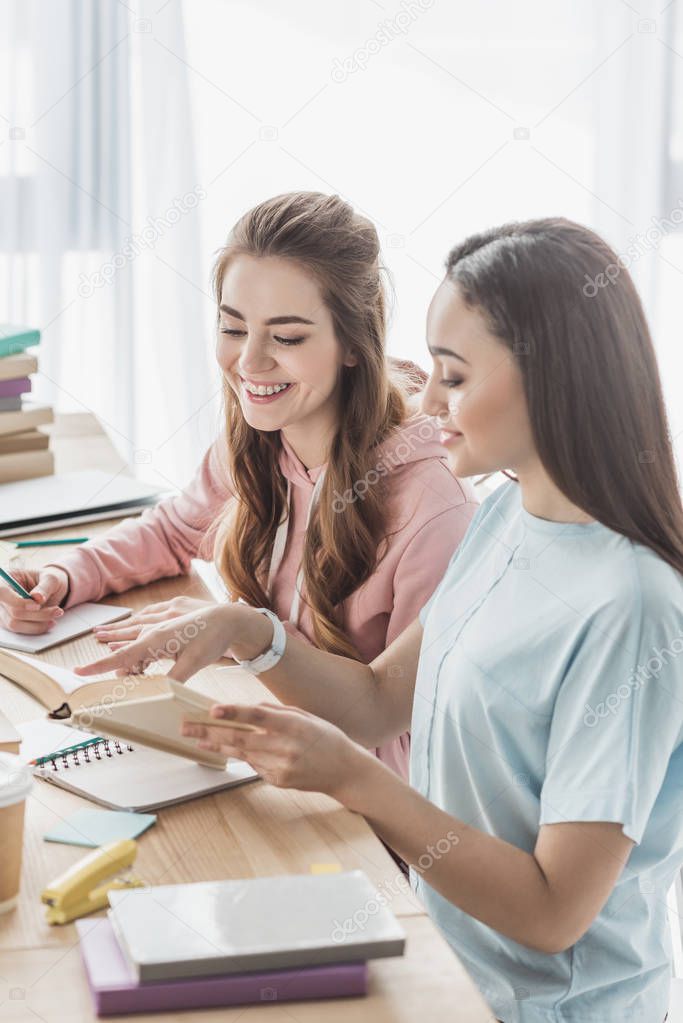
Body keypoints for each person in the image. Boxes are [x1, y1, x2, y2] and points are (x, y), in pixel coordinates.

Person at [79, 217, 683, 1022]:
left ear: (554, 380)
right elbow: (376, 701)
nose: (427, 403)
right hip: (433, 956)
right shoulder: (507, 517)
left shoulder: (631, 607)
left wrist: (354, 777)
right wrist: (250, 632)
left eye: (455, 376)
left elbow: (551, 914)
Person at [5, 191, 477, 778]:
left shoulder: (433, 508)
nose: (250, 363)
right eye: (232, 327)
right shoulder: (258, 439)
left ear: (355, 343)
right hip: (266, 751)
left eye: (287, 337)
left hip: (365, 812)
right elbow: (174, 530)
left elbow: (400, 727)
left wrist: (254, 640)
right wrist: (65, 576)